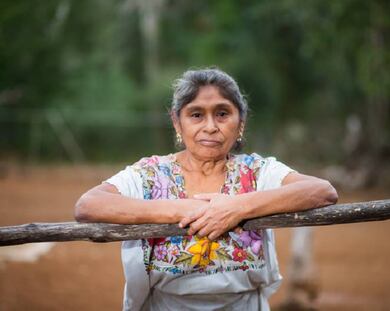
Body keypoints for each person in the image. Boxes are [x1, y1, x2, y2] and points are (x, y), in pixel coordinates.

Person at [74, 68, 338, 311]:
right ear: (177, 123)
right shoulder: (152, 174)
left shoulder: (257, 171)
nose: (210, 126)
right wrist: (176, 209)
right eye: (196, 114)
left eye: (222, 114)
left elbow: (321, 191)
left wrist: (238, 207)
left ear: (241, 121)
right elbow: (88, 205)